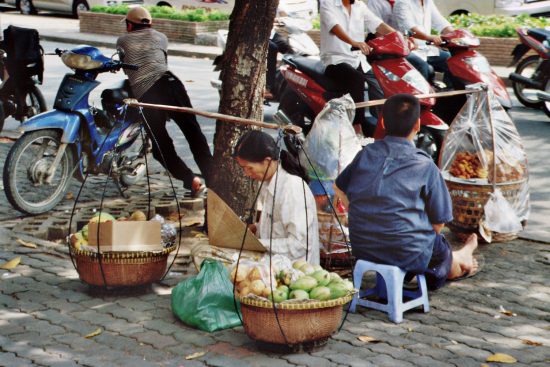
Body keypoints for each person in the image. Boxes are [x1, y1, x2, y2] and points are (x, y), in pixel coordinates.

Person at [333, 94, 478, 290]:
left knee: (434, 247)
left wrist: (357, 210)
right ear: (418, 125)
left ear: (382, 122)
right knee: (440, 253)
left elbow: (338, 186)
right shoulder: (425, 165)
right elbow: (438, 223)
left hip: (363, 248)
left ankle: (459, 256)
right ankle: (462, 258)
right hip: (407, 252)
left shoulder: (365, 154)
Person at [116, 6, 213, 197]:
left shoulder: (123, 41)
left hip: (149, 93)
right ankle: (215, 181)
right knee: (194, 134)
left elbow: (127, 68)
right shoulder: (161, 37)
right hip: (172, 85)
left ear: (129, 25)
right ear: (150, 24)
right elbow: (159, 60)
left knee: (161, 146)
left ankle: (191, 180)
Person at [233, 130, 320, 265]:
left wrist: (256, 244)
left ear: (267, 161)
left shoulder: (291, 188)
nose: (247, 174)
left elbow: (299, 245)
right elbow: (276, 223)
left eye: (249, 168)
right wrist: (256, 228)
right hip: (272, 263)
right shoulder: (267, 181)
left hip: (296, 270)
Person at [320, 0, 395, 136]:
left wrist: (398, 36)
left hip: (358, 59)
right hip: (335, 59)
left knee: (381, 81)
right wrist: (353, 42)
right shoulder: (328, 3)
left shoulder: (359, 6)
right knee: (357, 79)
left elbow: (377, 24)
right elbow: (334, 27)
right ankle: (357, 126)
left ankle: (384, 126)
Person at [393, 0, 454, 85]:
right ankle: (423, 97)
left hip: (425, 49)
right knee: (421, 65)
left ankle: (452, 95)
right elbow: (409, 29)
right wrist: (429, 38)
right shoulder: (402, 2)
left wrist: (454, 34)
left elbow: (441, 22)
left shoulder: (428, 2)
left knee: (449, 58)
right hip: (409, 50)